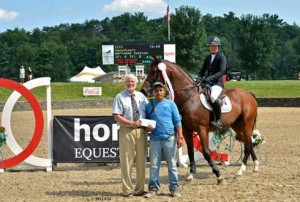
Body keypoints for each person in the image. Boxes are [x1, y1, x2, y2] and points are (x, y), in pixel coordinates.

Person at [144, 81, 184, 198]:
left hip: (170, 138)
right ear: (153, 92)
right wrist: (147, 128)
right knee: (154, 165)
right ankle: (153, 188)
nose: (158, 92)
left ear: (164, 91)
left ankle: (174, 188)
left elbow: (177, 121)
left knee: (172, 164)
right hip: (155, 139)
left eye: (160, 90)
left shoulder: (171, 104)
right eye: (156, 90)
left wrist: (180, 136)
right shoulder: (148, 106)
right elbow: (145, 124)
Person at [112, 74, 149, 197]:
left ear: (136, 83)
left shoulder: (142, 97)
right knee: (126, 161)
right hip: (126, 131)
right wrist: (131, 123)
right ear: (124, 83)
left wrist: (149, 125)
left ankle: (139, 189)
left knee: (141, 161)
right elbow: (117, 116)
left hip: (141, 131)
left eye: (132, 81)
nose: (130, 83)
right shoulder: (119, 97)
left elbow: (148, 112)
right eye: (128, 81)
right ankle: (127, 190)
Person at [197, 36, 227, 128]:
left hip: (217, 83)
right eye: (211, 46)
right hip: (207, 83)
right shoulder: (208, 58)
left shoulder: (221, 57)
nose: (212, 47)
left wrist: (210, 78)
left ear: (218, 46)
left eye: (214, 46)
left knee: (213, 97)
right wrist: (198, 78)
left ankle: (219, 119)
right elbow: (202, 70)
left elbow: (222, 71)